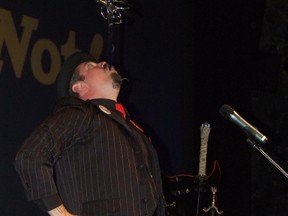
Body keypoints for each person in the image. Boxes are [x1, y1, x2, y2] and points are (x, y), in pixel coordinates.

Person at [14, 52, 165, 216]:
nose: (102, 63)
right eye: (90, 66)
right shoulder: (80, 113)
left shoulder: (134, 130)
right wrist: (61, 214)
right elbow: (30, 154)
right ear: (79, 87)